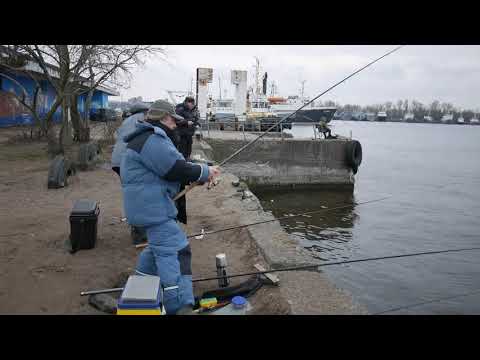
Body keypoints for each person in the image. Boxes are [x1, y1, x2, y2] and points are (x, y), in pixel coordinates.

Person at [120, 99, 220, 315]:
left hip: (147, 206)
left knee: (156, 248)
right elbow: (174, 168)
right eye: (173, 120)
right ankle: (179, 305)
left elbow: (175, 164)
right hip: (152, 209)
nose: (175, 124)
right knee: (176, 250)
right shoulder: (152, 139)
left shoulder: (147, 137)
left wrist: (203, 171)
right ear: (164, 118)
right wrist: (205, 173)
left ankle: (140, 289)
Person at [111, 103, 150, 244]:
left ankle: (138, 229)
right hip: (127, 162)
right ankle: (139, 235)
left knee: (132, 194)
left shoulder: (126, 121)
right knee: (139, 194)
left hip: (117, 162)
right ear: (143, 112)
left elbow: (118, 136)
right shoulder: (141, 120)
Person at [175, 96, 199, 161]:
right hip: (182, 134)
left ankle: (187, 159)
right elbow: (176, 121)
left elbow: (195, 119)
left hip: (189, 133)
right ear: (187, 102)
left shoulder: (193, 110)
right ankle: (182, 161)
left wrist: (196, 124)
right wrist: (186, 122)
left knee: (189, 147)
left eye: (193, 104)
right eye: (191, 104)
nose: (192, 106)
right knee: (182, 148)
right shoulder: (180, 109)